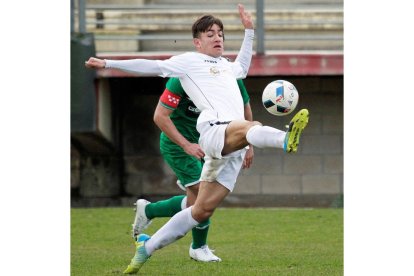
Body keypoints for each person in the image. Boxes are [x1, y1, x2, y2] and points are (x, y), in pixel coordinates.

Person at [85, 4, 309, 274]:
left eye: (221, 34)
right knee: (253, 125)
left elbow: (243, 65)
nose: (218, 38)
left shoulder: (228, 67)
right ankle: (286, 140)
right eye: (210, 34)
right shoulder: (189, 62)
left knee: (201, 210)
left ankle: (148, 246)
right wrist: (108, 62)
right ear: (197, 42)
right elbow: (151, 65)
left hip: (232, 149)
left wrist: (249, 31)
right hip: (214, 131)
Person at [132, 77, 253, 262]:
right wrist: (186, 145)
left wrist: (248, 144)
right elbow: (160, 116)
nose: (219, 47)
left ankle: (149, 211)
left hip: (208, 143)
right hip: (178, 145)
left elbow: (244, 108)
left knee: (194, 205)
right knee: (202, 195)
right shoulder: (182, 77)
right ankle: (198, 247)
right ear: (198, 46)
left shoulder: (230, 75)